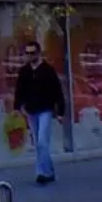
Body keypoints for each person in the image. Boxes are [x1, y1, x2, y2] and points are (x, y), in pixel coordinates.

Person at [12, 40, 64, 186]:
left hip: (45, 109)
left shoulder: (48, 70)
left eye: (32, 53)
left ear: (38, 53)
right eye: (27, 53)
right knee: (39, 144)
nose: (29, 56)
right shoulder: (24, 71)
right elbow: (19, 90)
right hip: (31, 111)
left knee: (42, 141)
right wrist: (17, 108)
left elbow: (57, 91)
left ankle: (42, 172)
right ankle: (50, 171)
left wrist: (61, 111)